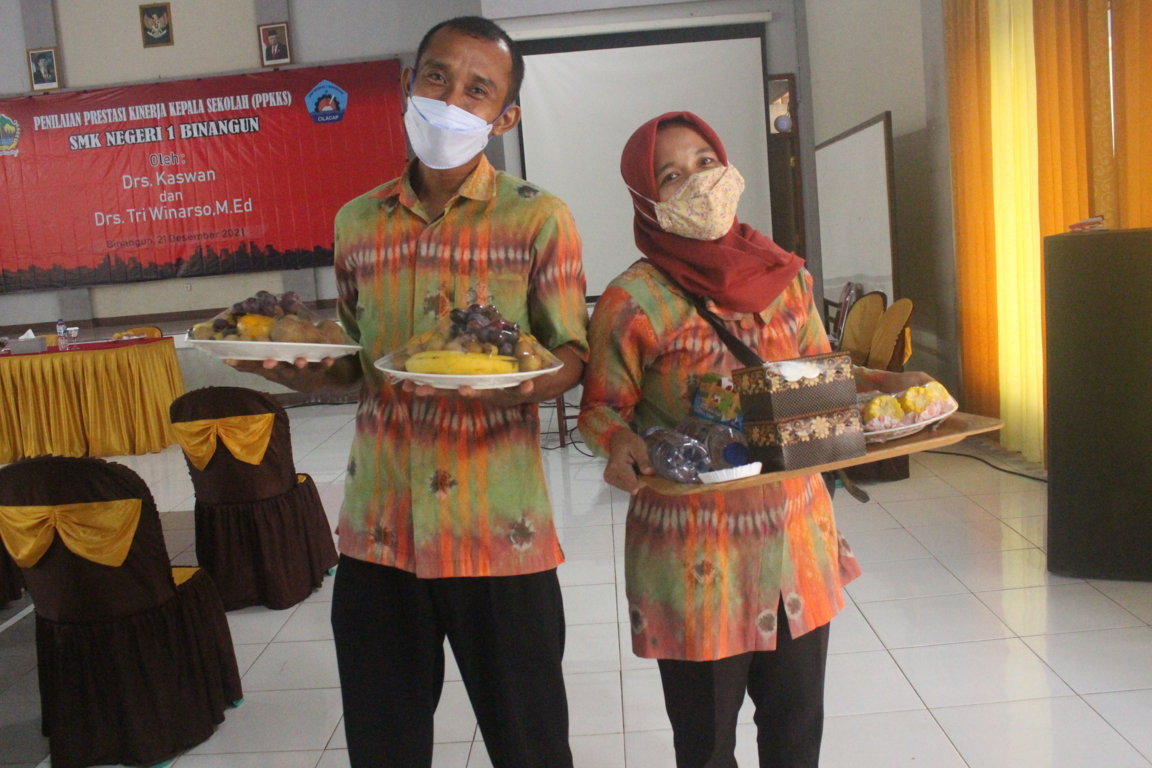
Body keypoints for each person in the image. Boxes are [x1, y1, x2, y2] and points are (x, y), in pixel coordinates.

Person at [228, 15, 587, 768]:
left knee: (531, 748)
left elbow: (570, 355)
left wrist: (518, 386)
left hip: (499, 533)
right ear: (407, 83)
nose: (450, 101)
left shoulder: (537, 217)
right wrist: (296, 367)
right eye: (437, 77)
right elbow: (358, 361)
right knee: (383, 749)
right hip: (379, 533)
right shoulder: (358, 221)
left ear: (505, 117)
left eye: (478, 90)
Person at [577, 112, 862, 768]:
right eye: (671, 176)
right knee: (706, 747)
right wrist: (617, 442)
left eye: (705, 162)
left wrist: (883, 389)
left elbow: (823, 378)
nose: (697, 182)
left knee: (796, 736)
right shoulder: (633, 300)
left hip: (796, 542)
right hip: (696, 562)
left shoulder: (788, 279)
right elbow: (600, 408)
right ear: (647, 201)